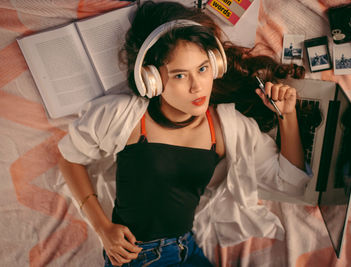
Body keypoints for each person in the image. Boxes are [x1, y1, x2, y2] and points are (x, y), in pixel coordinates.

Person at [57, 1, 311, 266]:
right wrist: (102, 228)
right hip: (138, 258)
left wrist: (287, 116)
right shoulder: (124, 117)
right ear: (151, 79)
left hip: (188, 249)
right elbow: (69, 158)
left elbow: (290, 182)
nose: (197, 87)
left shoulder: (228, 127)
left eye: (202, 69)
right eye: (179, 76)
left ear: (215, 65)